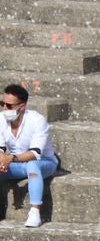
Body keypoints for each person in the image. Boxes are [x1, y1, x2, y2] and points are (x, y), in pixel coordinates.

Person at [0, 84, 58, 228]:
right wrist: (2, 159)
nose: (4, 109)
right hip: (16, 165)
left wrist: (11, 158)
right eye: (2, 104)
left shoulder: (37, 120)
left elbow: (35, 153)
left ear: (22, 106)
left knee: (32, 164)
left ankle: (35, 212)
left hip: (44, 163)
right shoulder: (1, 119)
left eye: (9, 105)